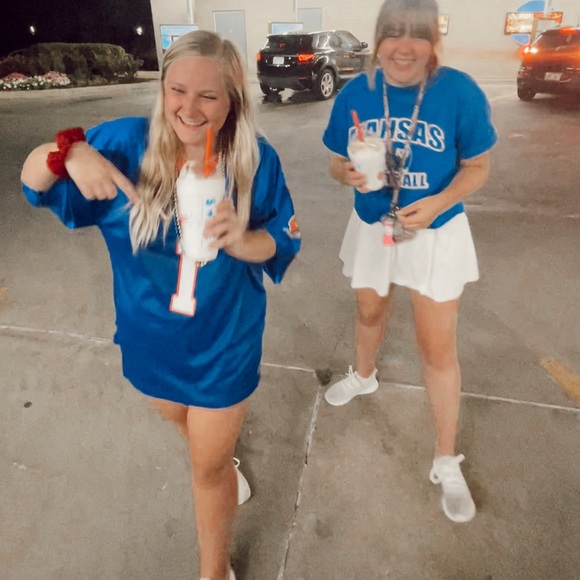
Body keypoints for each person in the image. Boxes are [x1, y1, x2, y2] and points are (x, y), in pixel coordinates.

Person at [21, 30, 301, 580]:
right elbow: (33, 183)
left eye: (208, 96)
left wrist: (245, 241)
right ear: (162, 89)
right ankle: (217, 454)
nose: (189, 109)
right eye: (178, 91)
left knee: (207, 469)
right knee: (183, 425)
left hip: (225, 342)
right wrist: (69, 151)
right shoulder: (127, 143)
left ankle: (214, 571)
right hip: (149, 340)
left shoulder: (254, 160)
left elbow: (284, 238)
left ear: (232, 101)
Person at [322, 0, 497, 524]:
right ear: (378, 41)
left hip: (435, 232)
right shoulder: (356, 93)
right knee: (369, 312)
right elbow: (335, 161)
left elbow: (478, 166)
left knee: (436, 347)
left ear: (432, 42)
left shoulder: (459, 91)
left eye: (416, 34)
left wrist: (440, 202)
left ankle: (445, 458)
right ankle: (364, 375)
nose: (404, 46)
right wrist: (345, 173)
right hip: (374, 226)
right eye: (392, 34)